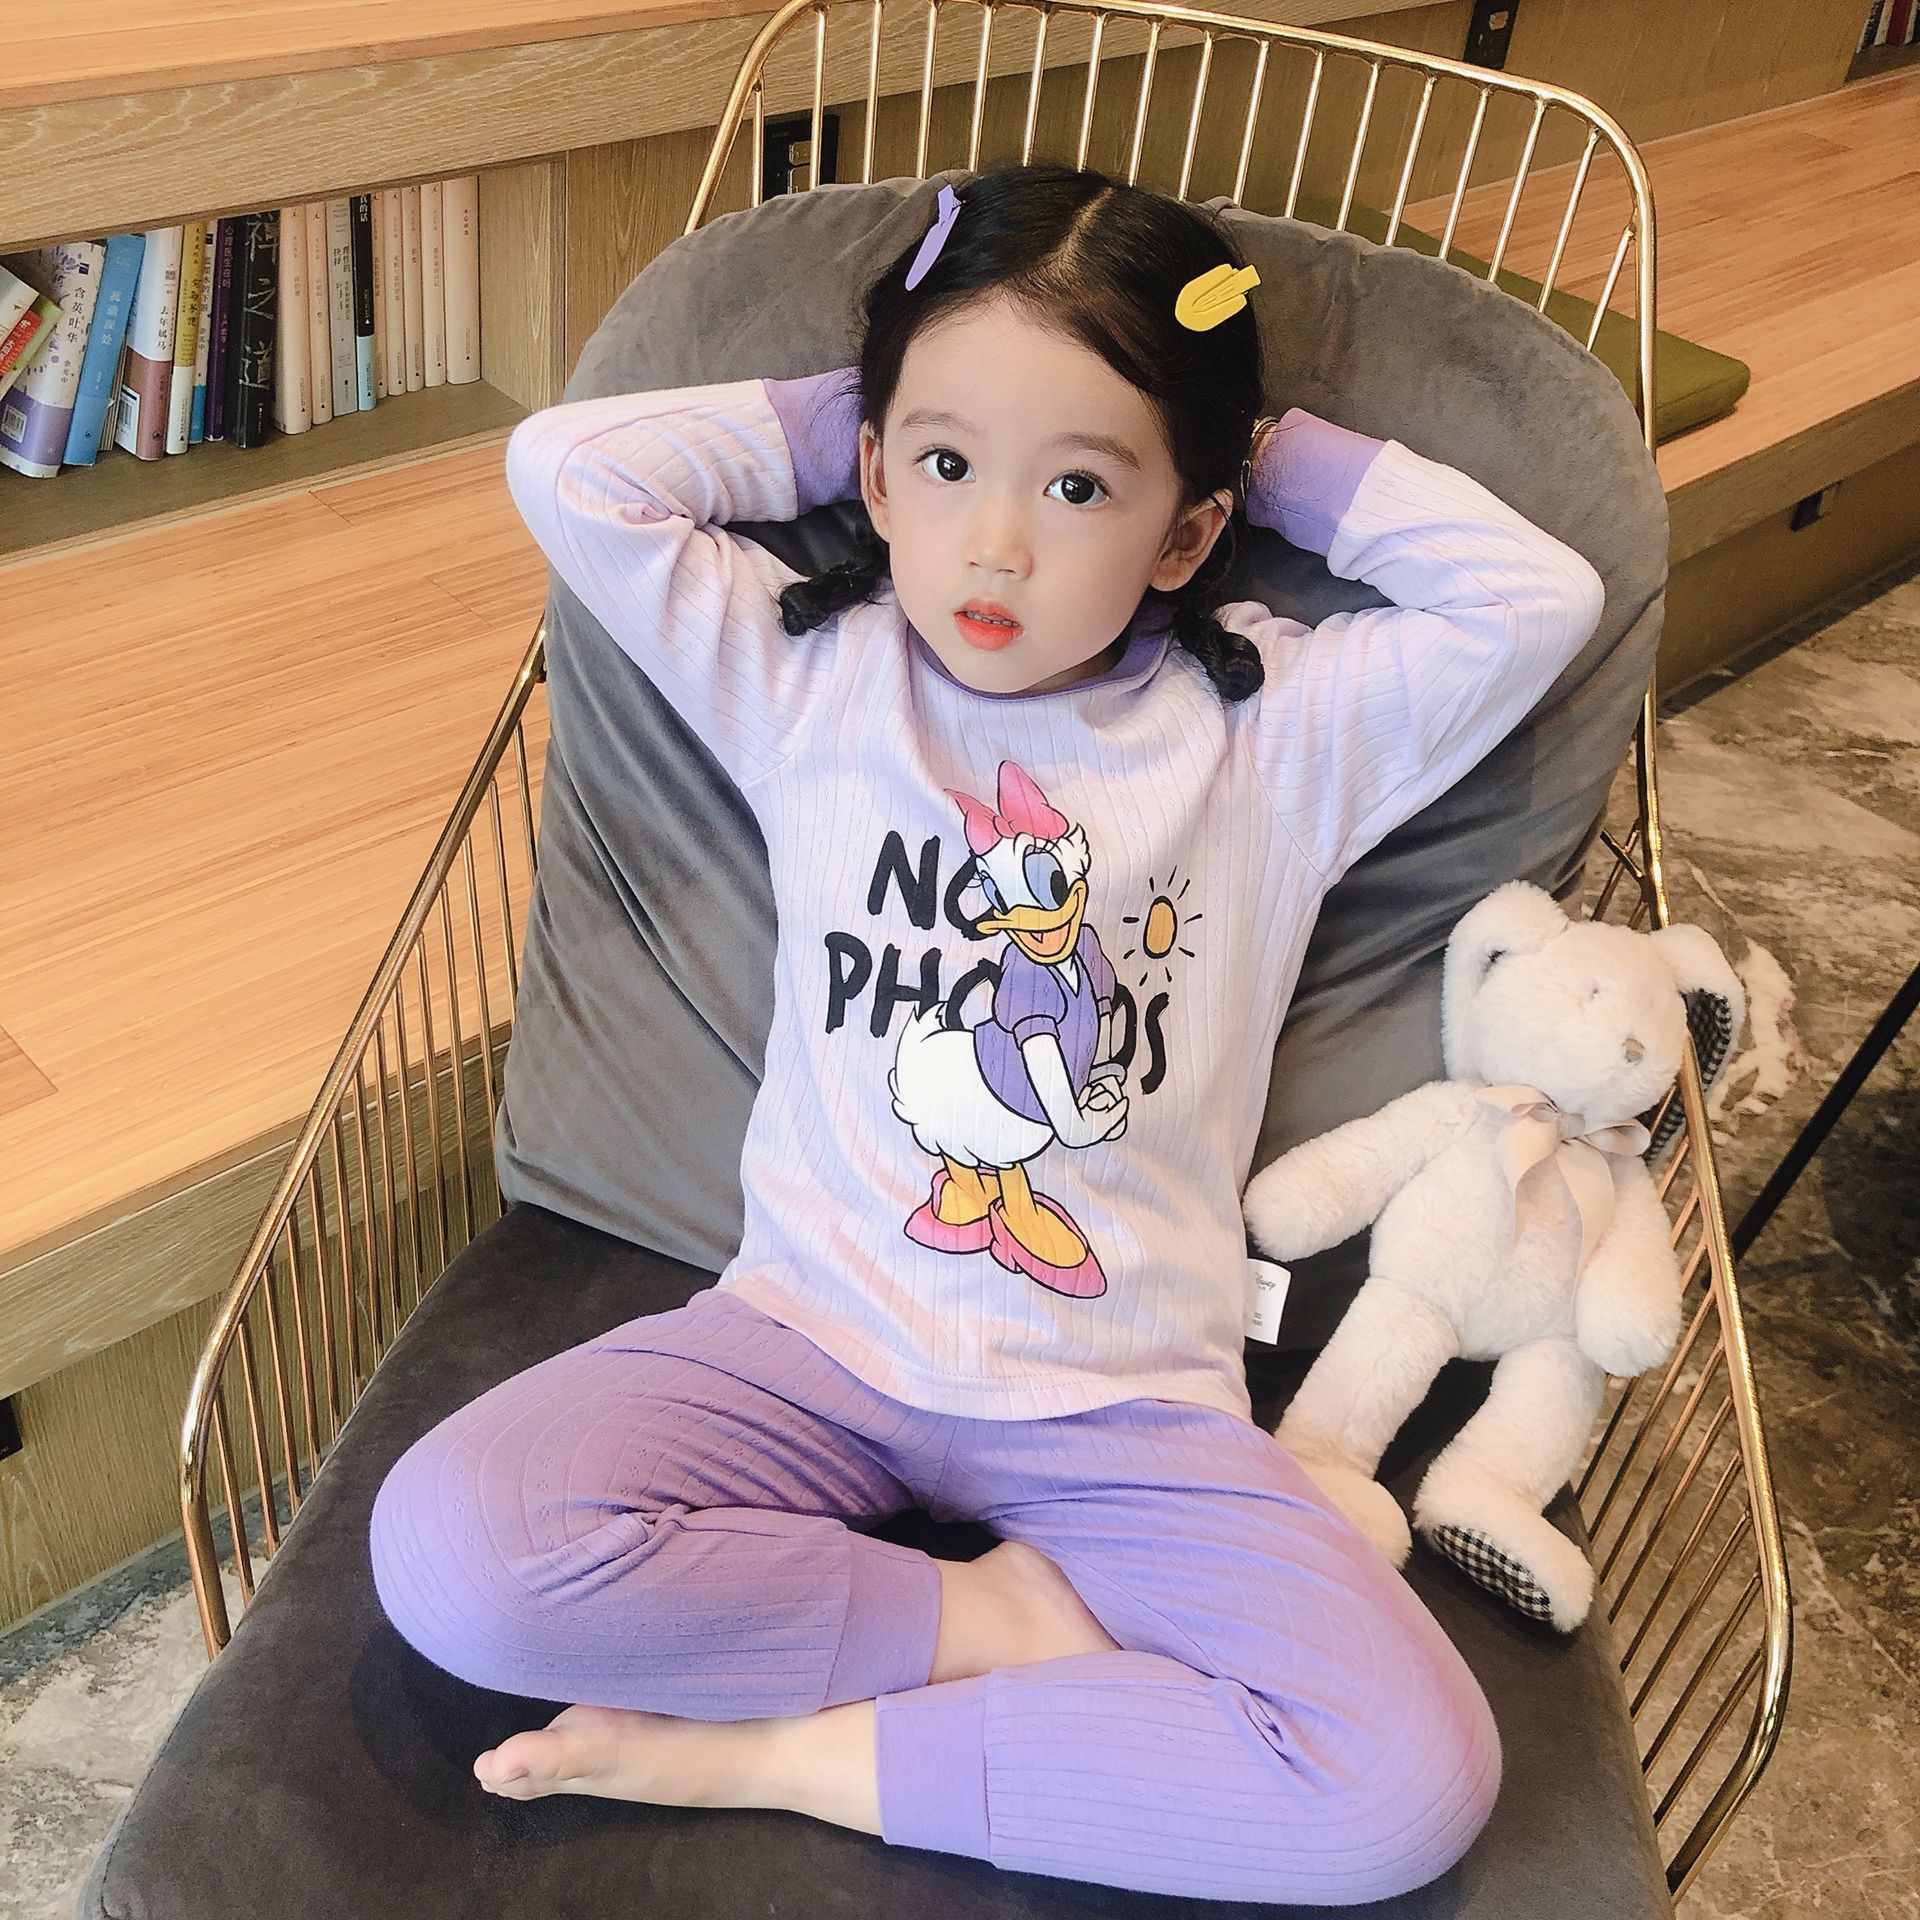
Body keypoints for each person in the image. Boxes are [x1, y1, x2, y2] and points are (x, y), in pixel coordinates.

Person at [369, 158, 1606, 1905]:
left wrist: (1266, 451)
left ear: (1187, 533)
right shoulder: (809, 680)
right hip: (803, 1344)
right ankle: (998, 1627)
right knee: (452, 1557)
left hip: (1124, 1413)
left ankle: (791, 1761)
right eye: (945, 468)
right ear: (878, 477)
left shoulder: (1277, 733)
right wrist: (863, 415)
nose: (997, 544)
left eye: (1080, 484)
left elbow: (1535, 598)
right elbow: (568, 469)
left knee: (1407, 1786)